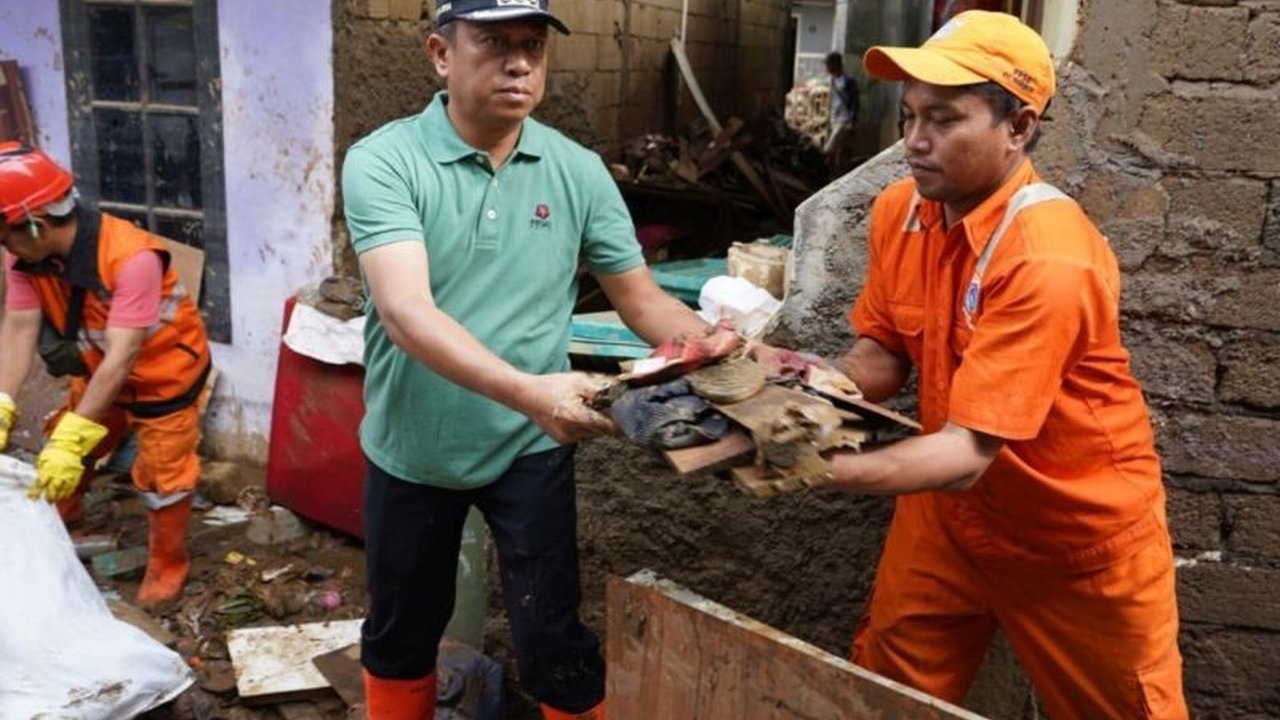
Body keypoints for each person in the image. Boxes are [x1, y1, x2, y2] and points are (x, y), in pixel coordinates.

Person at [340, 1, 709, 718]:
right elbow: (406, 312)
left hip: (528, 449)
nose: (518, 63)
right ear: (442, 55)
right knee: (400, 633)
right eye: (494, 43)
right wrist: (530, 392)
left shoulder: (577, 171)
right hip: (416, 443)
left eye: (532, 46)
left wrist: (720, 353)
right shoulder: (384, 160)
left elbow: (643, 303)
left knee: (553, 640)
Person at [819, 11, 1187, 719]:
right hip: (947, 517)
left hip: (1073, 538)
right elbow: (885, 355)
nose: (914, 144)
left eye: (944, 120)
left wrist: (797, 462)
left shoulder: (1049, 254)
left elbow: (964, 453)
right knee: (885, 698)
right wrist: (804, 383)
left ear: (1018, 128)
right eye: (910, 116)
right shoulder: (903, 211)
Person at [0, 142, 211, 608]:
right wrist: (3, 401)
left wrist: (74, 439)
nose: (3, 245)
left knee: (162, 473)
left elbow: (124, 353)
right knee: (64, 439)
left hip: (162, 374)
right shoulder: (24, 260)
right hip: (100, 371)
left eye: (5, 233)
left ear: (35, 222)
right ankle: (59, 519)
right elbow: (17, 328)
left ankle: (167, 564)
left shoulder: (130, 257)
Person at [823, 50, 860, 176]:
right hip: (834, 119)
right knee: (840, 154)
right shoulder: (832, 80)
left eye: (828, 64)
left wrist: (852, 121)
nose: (827, 68)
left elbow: (855, 102)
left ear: (836, 64)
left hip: (844, 121)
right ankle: (836, 177)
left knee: (829, 149)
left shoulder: (848, 80)